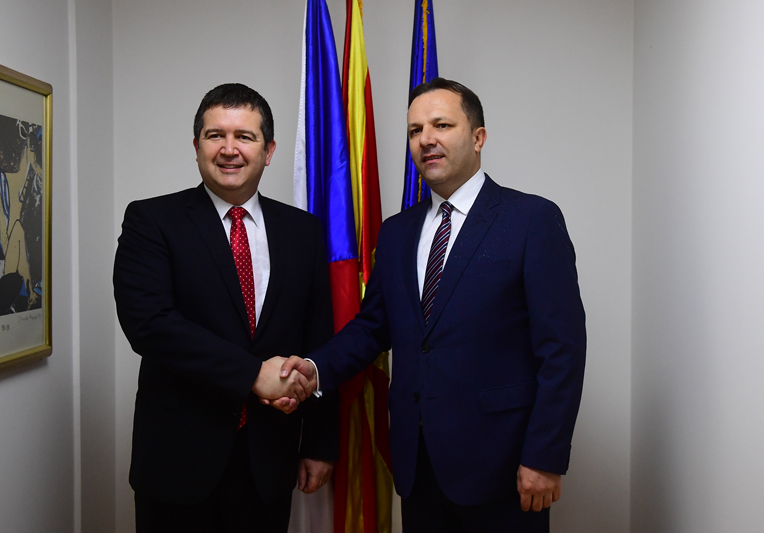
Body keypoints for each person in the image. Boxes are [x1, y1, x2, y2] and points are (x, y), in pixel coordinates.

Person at [276, 78, 587, 532]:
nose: (426, 139)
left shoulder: (532, 220)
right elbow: (373, 327)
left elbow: (562, 350)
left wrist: (545, 456)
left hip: (504, 467)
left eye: (442, 125)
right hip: (417, 466)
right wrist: (313, 368)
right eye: (415, 130)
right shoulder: (397, 232)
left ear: (478, 137)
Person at [113, 83, 337, 533]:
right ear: (196, 146)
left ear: (269, 151)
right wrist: (252, 374)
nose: (229, 149)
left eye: (245, 137)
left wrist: (318, 443)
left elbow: (318, 339)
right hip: (178, 462)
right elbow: (149, 325)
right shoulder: (151, 221)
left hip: (269, 460)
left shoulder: (304, 232)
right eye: (215, 135)